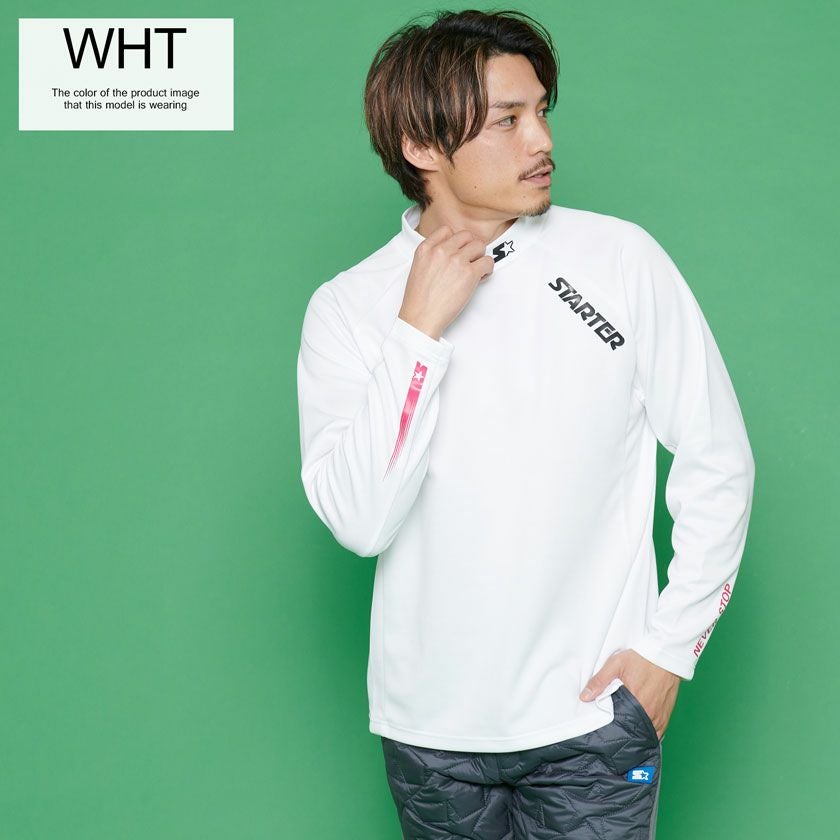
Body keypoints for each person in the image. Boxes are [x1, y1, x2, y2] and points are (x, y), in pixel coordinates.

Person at [296, 8, 755, 839]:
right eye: (507, 120)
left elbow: (718, 458)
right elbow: (360, 521)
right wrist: (417, 333)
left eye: (541, 111)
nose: (541, 140)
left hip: (592, 720)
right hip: (428, 732)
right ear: (422, 146)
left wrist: (670, 651)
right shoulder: (349, 307)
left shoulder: (620, 259)